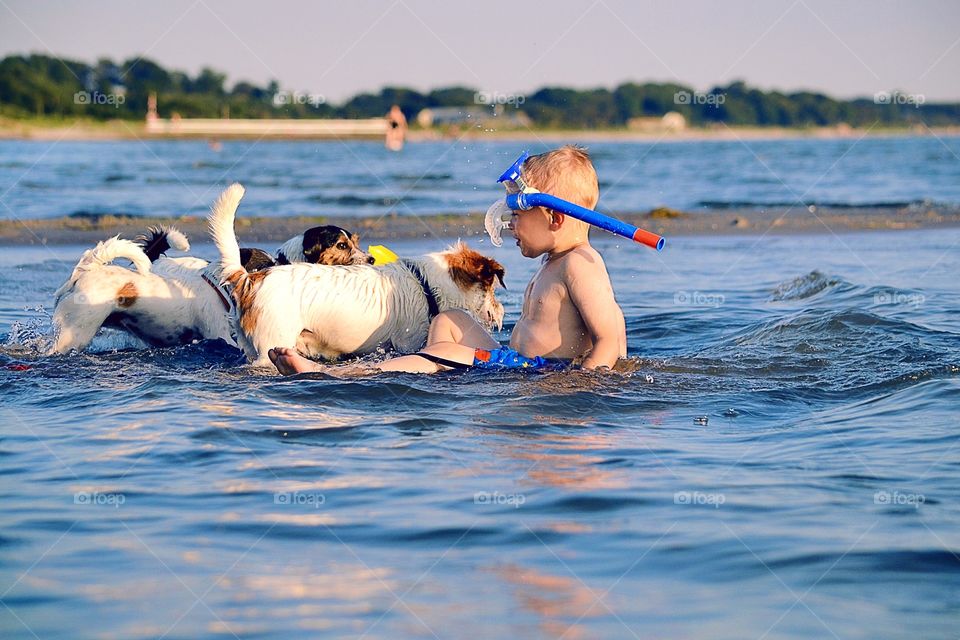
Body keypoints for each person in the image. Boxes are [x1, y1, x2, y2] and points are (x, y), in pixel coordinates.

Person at [269, 145, 627, 376]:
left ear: (555, 218)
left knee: (442, 352)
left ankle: (336, 375)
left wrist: (586, 387)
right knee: (450, 319)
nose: (510, 223)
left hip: (541, 371)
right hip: (512, 361)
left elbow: (609, 337)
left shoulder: (580, 264)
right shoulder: (556, 260)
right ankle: (437, 366)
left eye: (517, 214)